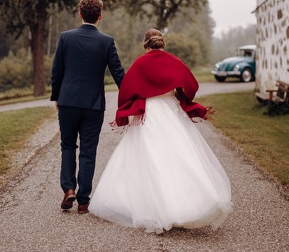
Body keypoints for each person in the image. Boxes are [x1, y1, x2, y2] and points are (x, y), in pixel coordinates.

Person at [89, 29, 232, 233]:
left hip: (149, 112)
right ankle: (192, 204)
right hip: (170, 110)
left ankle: (153, 205)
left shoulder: (139, 64)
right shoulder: (174, 61)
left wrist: (130, 104)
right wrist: (180, 93)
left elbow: (127, 89)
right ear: (162, 44)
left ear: (145, 45)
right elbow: (192, 83)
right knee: (180, 154)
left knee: (149, 157)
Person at [51, 0, 124, 213]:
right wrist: (132, 96)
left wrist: (56, 97)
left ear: (80, 13)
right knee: (88, 150)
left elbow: (57, 72)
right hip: (93, 104)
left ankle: (68, 189)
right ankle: (84, 200)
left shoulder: (65, 38)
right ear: (100, 16)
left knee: (67, 145)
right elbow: (118, 74)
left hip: (68, 101)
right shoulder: (106, 41)